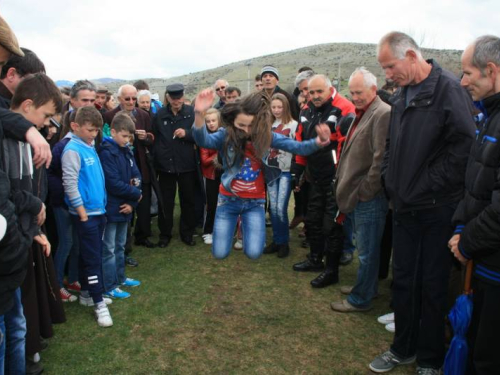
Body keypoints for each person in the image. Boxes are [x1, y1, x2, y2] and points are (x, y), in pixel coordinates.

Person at [369, 32, 476, 374]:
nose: (387, 74)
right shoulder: (403, 94)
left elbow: (463, 147)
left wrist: (426, 185)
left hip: (436, 207)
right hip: (403, 207)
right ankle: (402, 348)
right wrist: (389, 178)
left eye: (390, 66)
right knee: (403, 281)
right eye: (383, 67)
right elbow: (392, 143)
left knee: (432, 285)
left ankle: (429, 358)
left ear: (411, 56)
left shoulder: (449, 89)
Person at [192, 88, 331, 260]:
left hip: (254, 203)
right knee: (219, 253)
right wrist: (199, 114)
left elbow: (297, 147)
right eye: (241, 125)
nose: (246, 130)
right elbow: (202, 140)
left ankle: (245, 237)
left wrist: (318, 142)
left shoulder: (267, 136)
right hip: (228, 200)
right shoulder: (226, 135)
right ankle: (229, 236)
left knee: (254, 252)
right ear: (233, 120)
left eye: (251, 125)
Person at [449, 35, 500, 375]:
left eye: (468, 73)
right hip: (481, 257)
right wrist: (459, 227)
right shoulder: (488, 116)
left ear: (491, 70)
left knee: (488, 357)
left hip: (493, 266)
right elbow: (477, 184)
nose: (463, 81)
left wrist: (468, 241)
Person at [332, 67, 390, 312]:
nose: (354, 97)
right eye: (352, 92)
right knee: (366, 249)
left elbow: (380, 157)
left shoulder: (382, 113)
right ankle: (367, 287)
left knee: (366, 252)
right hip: (357, 194)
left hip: (369, 196)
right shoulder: (363, 111)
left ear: (374, 90)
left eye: (359, 92)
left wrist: (367, 190)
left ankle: (361, 299)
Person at [291, 74, 355, 288]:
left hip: (336, 176)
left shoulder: (344, 107)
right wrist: (296, 171)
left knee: (332, 225)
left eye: (320, 92)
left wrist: (330, 142)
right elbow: (300, 141)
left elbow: (348, 144)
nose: (315, 96)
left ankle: (331, 270)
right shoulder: (306, 109)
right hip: (314, 175)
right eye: (311, 92)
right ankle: (315, 259)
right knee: (313, 220)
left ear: (330, 89)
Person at [61, 106, 113, 328]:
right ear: (75, 126)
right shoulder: (72, 149)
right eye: (90, 130)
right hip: (86, 215)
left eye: (97, 130)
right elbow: (69, 182)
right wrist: (81, 211)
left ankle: (86, 293)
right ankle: (99, 303)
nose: (94, 134)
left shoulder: (88, 145)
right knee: (93, 259)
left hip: (98, 212)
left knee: (89, 254)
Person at [104, 84, 155, 253]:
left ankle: (142, 235)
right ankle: (124, 245)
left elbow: (152, 137)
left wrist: (145, 137)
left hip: (139, 164)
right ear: (119, 99)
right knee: (123, 203)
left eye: (134, 98)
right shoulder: (109, 116)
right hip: (117, 167)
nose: (132, 101)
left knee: (143, 202)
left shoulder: (143, 114)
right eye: (128, 98)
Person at [99, 112, 142, 299]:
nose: (127, 140)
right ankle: (109, 285)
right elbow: (112, 183)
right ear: (113, 132)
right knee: (108, 249)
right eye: (124, 136)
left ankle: (121, 277)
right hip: (111, 208)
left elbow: (137, 177)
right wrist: (136, 194)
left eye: (129, 137)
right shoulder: (106, 153)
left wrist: (132, 202)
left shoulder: (127, 151)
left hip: (125, 207)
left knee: (120, 246)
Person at [152, 83, 199, 247]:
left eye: (179, 97)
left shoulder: (191, 113)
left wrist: (187, 134)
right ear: (167, 97)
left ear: (183, 96)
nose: (176, 101)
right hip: (165, 166)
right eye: (173, 98)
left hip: (187, 165)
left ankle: (187, 233)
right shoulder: (159, 114)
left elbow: (201, 135)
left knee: (188, 200)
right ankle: (165, 234)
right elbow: (154, 137)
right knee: (165, 201)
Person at [262, 93, 298, 258]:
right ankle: (277, 240)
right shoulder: (268, 124)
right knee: (273, 209)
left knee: (280, 208)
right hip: (270, 171)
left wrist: (296, 172)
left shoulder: (294, 125)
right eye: (273, 107)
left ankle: (283, 242)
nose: (276, 110)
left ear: (285, 107)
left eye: (279, 107)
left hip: (285, 171)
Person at [199, 108, 222, 245]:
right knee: (211, 205)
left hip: (225, 175)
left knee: (224, 205)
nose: (211, 123)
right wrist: (219, 153)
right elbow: (205, 161)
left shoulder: (225, 135)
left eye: (214, 120)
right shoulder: (204, 137)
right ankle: (208, 232)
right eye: (208, 121)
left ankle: (221, 231)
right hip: (211, 176)